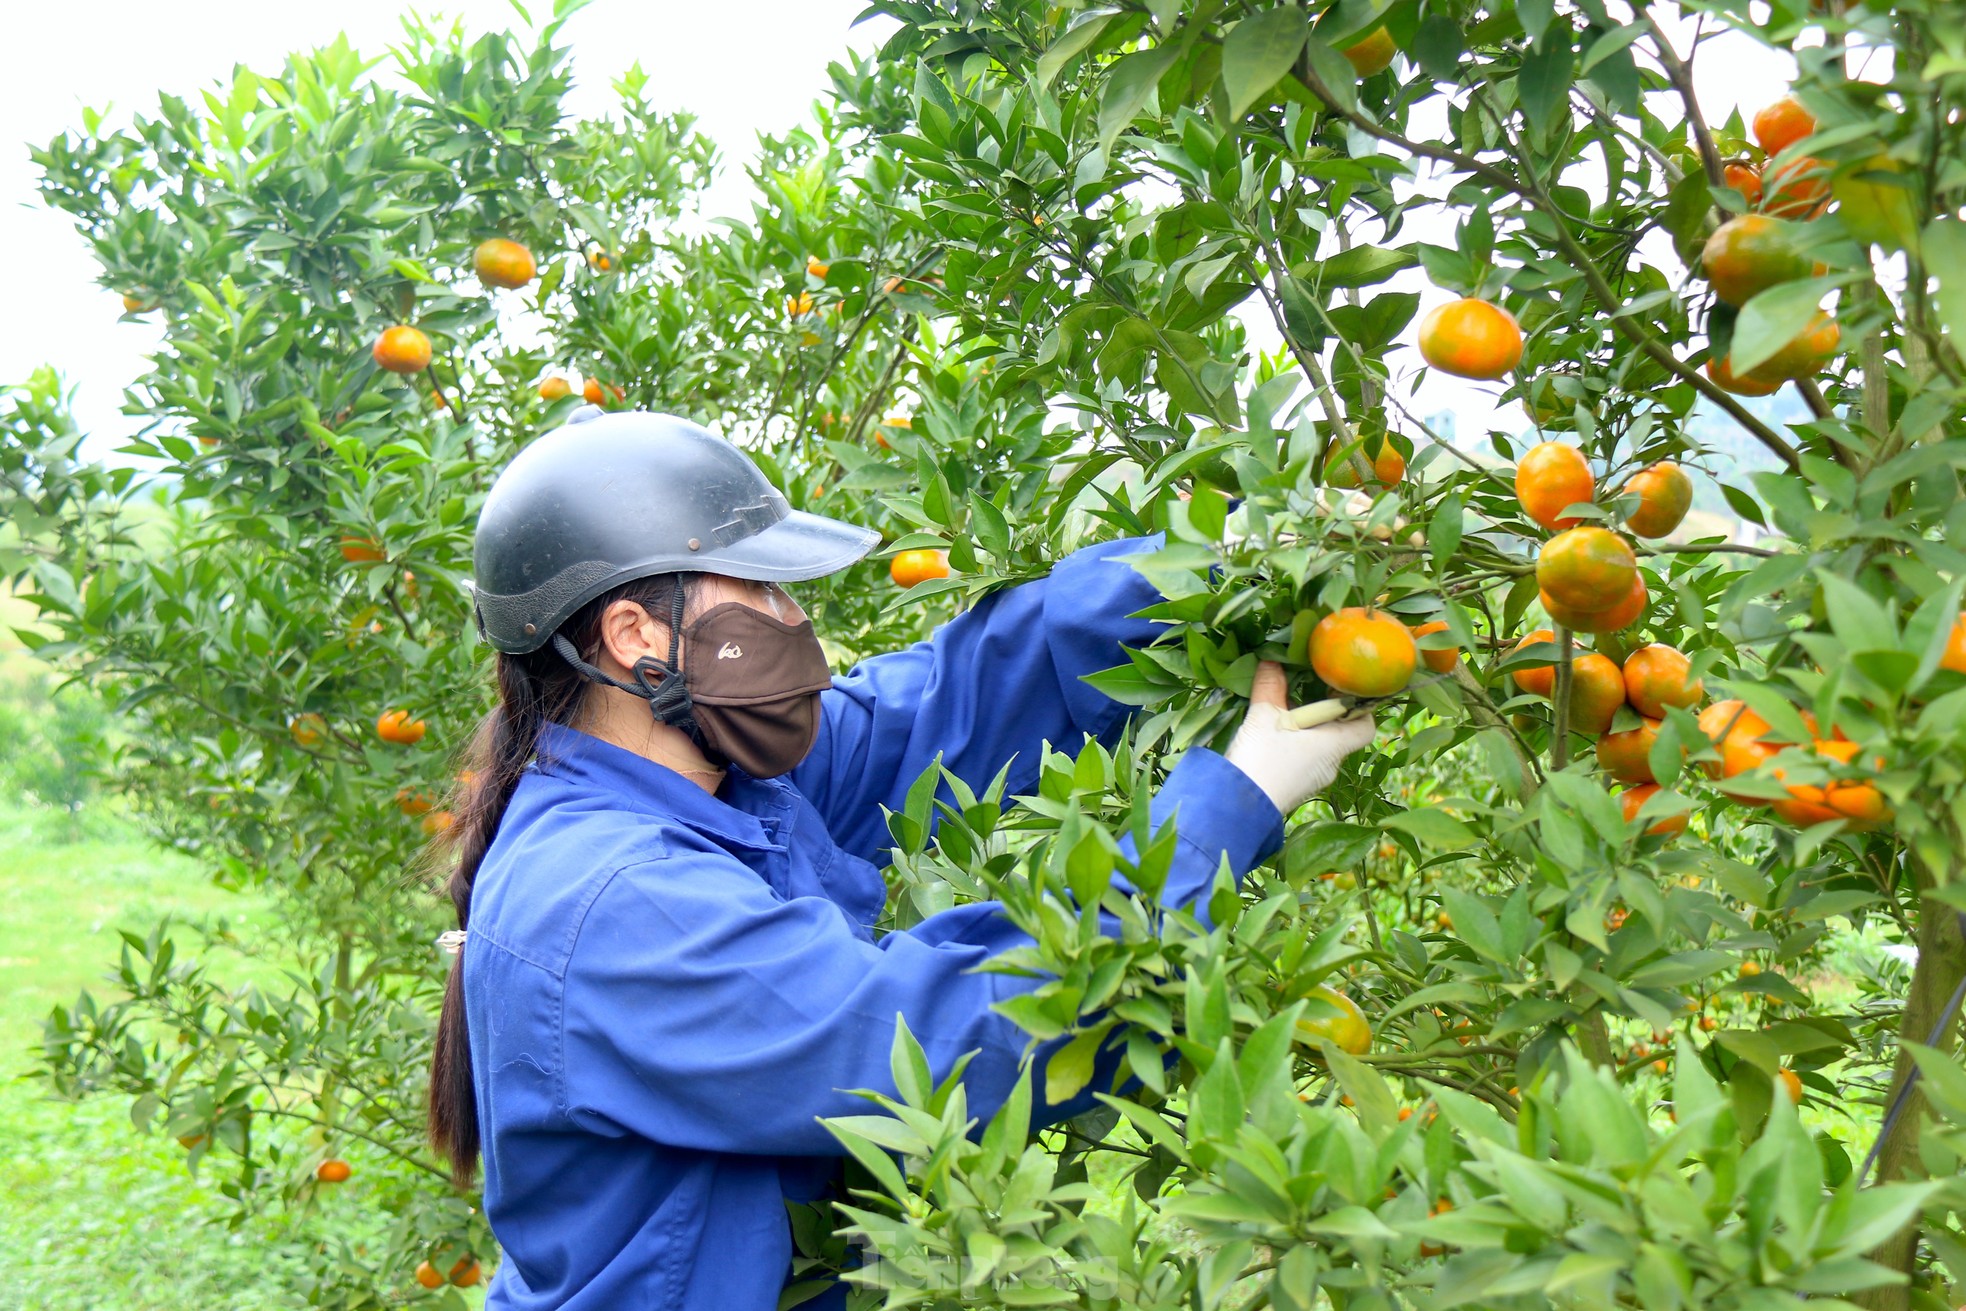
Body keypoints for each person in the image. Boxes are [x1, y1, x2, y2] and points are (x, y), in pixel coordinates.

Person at [427, 409, 1375, 1309]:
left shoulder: (729, 781)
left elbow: (959, 694)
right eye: (759, 588)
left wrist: (1242, 565)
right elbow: (939, 1037)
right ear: (638, 635)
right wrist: (1233, 800)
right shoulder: (613, 900)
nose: (793, 619)